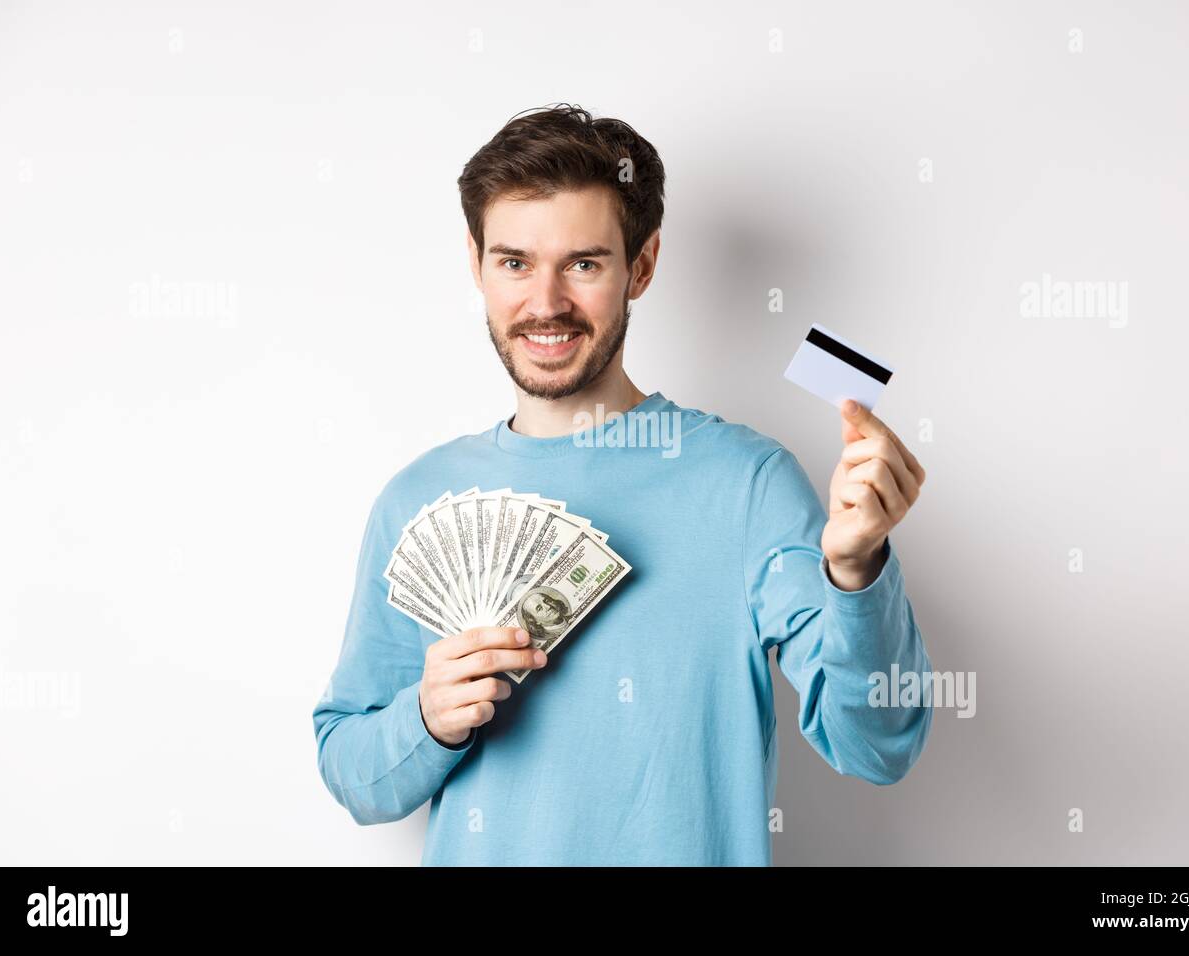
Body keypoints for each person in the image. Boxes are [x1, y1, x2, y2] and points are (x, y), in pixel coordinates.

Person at [312, 103, 933, 865]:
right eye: (514, 263)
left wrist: (856, 572)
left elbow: (879, 747)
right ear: (475, 262)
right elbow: (351, 770)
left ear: (642, 265)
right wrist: (427, 719)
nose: (545, 304)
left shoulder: (748, 484)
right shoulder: (418, 499)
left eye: (584, 263)